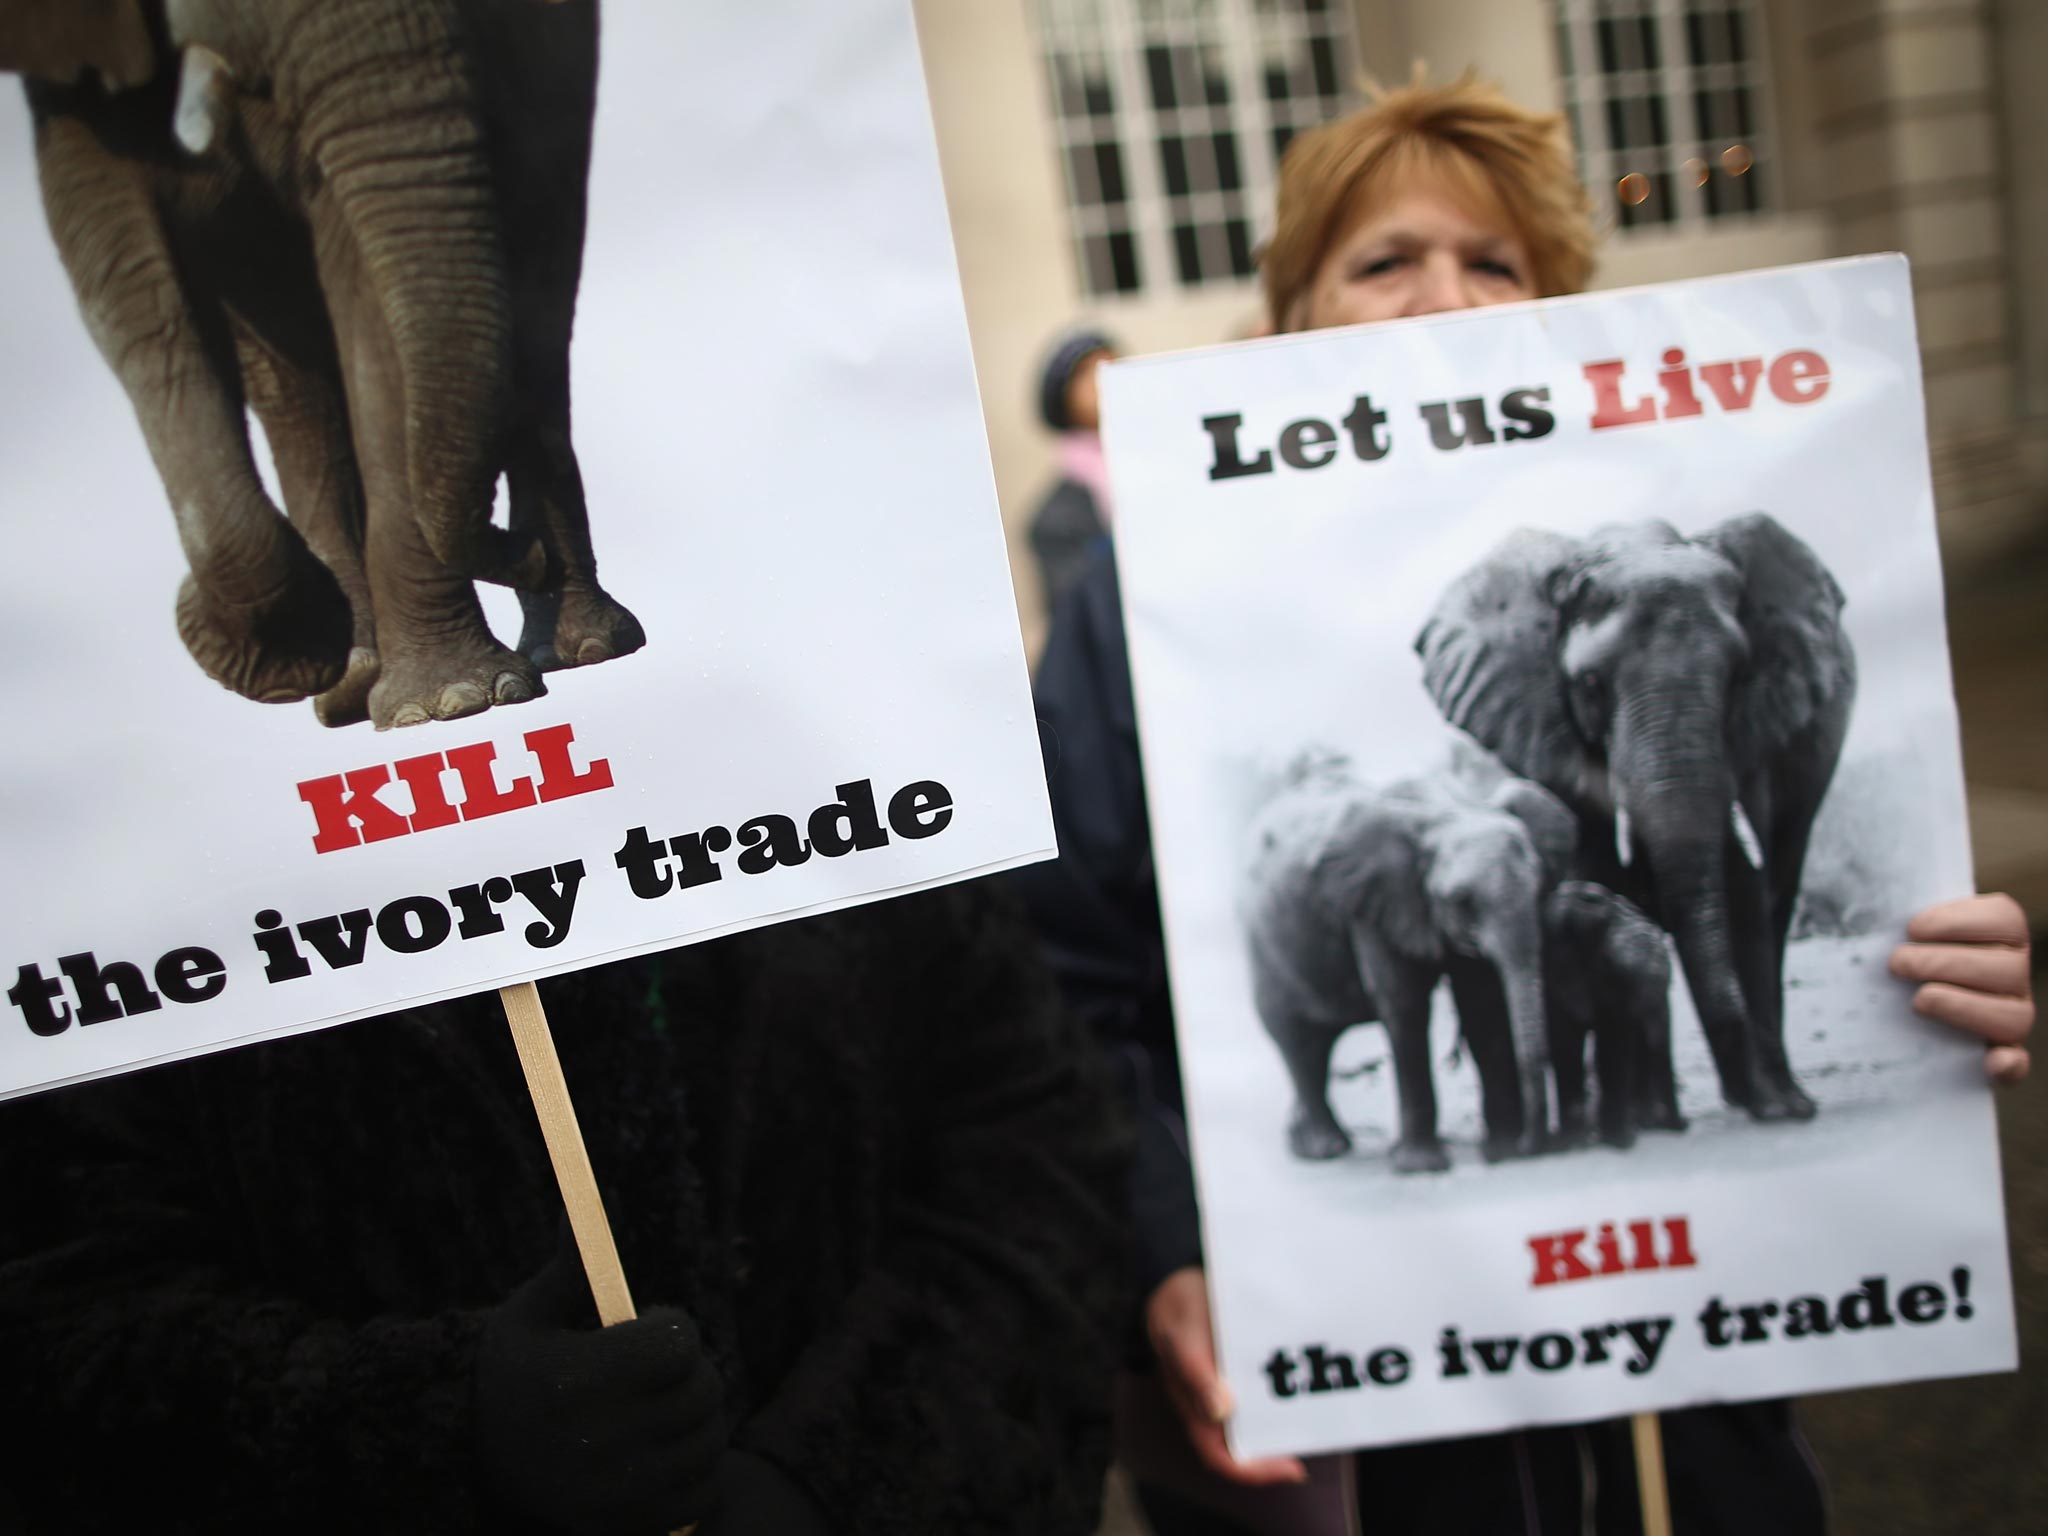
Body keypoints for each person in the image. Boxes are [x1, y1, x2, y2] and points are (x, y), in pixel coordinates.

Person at [1016, 72, 2035, 1536]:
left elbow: (1732, 864)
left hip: (1697, 1400)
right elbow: (1060, 984)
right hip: (1340, 1407)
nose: (1444, 300)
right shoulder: (1140, 606)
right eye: (1384, 262)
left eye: (1494, 262)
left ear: (1560, 315)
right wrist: (1165, 1247)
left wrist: (1931, 985)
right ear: (1292, 317)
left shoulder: (1680, 565)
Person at [0, 882, 1131, 1534]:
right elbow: (58, 1286)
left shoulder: (831, 736)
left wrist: (856, 1468)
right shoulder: (98, 857)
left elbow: (1033, 1141)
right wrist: (429, 1423)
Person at [1030, 328, 1121, 612]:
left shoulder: (1165, 465)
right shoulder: (1056, 518)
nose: (1101, 379)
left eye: (1110, 366)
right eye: (1085, 373)